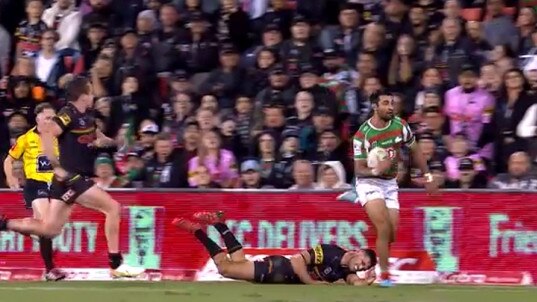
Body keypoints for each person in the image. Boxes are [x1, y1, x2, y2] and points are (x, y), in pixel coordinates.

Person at [0, 76, 144, 278]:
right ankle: (116, 264)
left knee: (48, 229)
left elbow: (101, 140)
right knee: (112, 207)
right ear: (83, 95)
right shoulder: (68, 113)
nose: (94, 95)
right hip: (72, 177)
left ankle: (4, 224)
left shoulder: (89, 117)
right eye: (91, 92)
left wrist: (120, 144)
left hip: (65, 182)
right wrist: (55, 165)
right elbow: (49, 133)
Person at [337, 91, 438, 287]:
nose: (390, 107)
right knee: (383, 228)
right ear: (375, 106)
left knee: (390, 234)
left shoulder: (400, 126)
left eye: (392, 103)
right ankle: (384, 276)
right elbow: (359, 170)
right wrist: (376, 169)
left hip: (390, 184)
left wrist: (428, 175)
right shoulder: (362, 135)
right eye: (385, 103)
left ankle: (374, 265)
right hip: (368, 182)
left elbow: (415, 148)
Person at [173, 211, 377, 285]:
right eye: (363, 262)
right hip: (281, 269)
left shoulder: (347, 270)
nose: (360, 267)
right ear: (358, 251)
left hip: (282, 277)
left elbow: (354, 283)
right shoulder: (331, 252)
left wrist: (366, 281)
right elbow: (298, 260)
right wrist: (311, 283)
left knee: (237, 263)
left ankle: (221, 226)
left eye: (364, 267)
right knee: (226, 269)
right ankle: (198, 231)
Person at [2, 102, 66, 281]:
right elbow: (9, 160)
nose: (51, 121)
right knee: (46, 223)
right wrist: (10, 177)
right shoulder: (25, 139)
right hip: (36, 185)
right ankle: (50, 269)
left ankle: (16, 227)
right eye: (47, 118)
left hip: (56, 186)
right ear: (37, 118)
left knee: (48, 229)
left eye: (54, 118)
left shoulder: (60, 137)